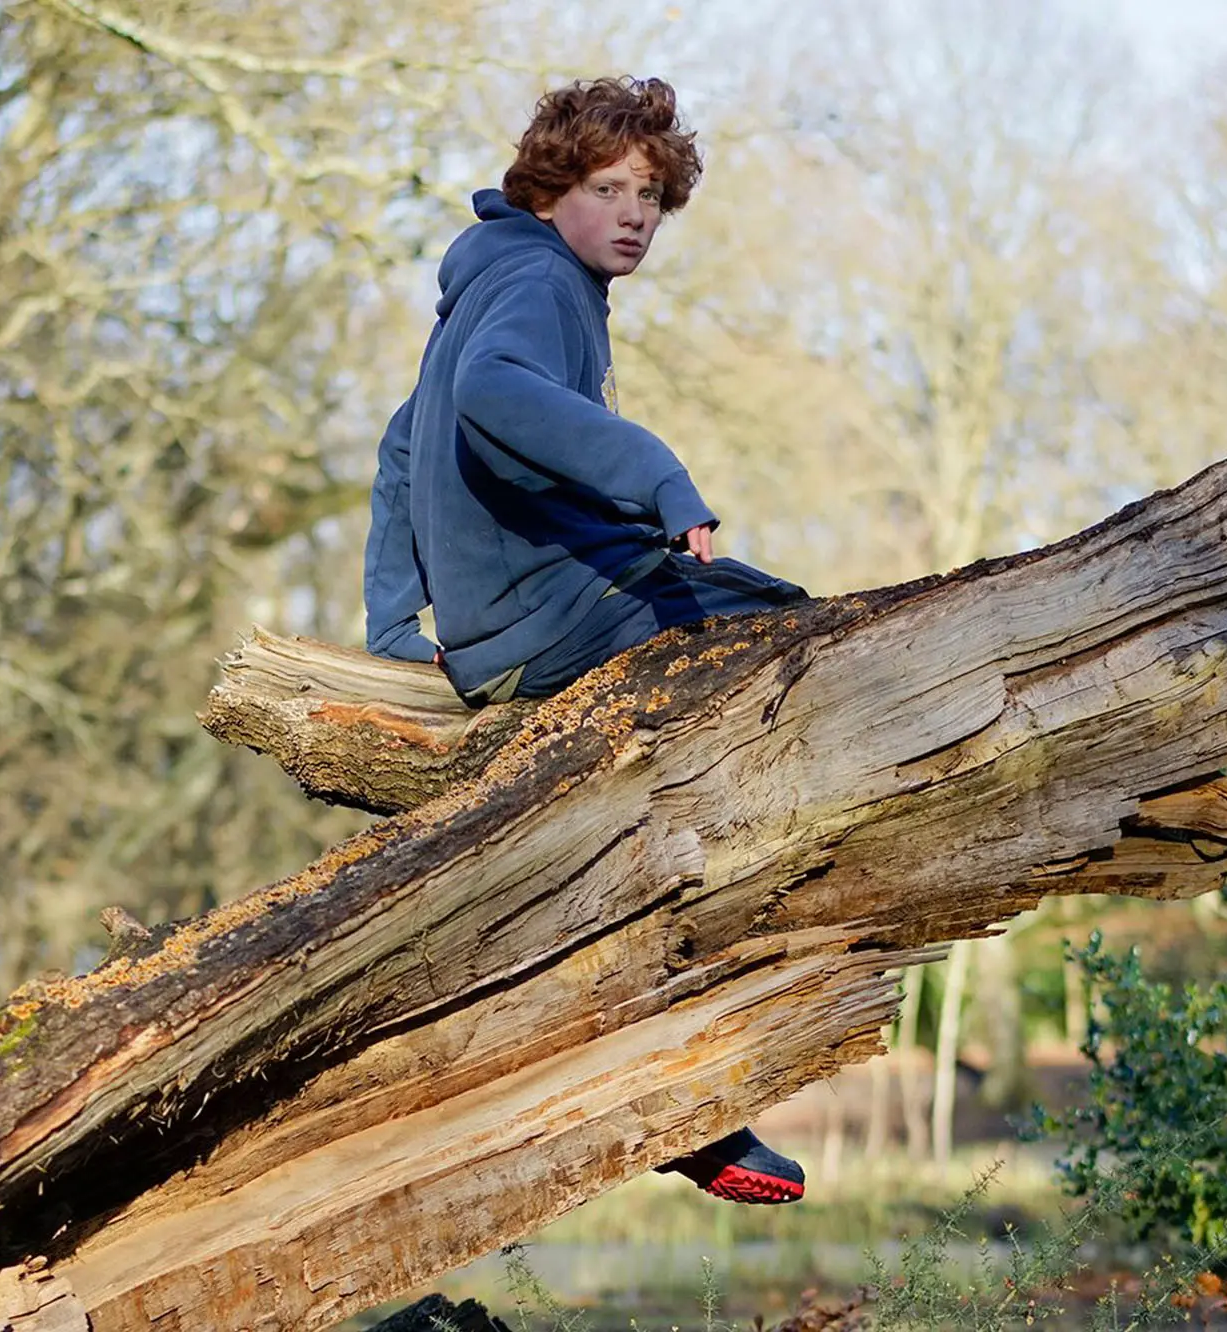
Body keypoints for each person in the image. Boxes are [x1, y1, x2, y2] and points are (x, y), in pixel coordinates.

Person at [361, 76, 809, 1205]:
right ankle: (691, 1090)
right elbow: (496, 399)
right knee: (796, 662)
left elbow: (401, 446)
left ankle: (679, 1081)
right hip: (558, 609)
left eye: (649, 195)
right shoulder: (537, 285)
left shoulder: (490, 284)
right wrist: (653, 473)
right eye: (607, 188)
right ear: (550, 190)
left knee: (772, 637)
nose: (633, 215)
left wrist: (395, 626)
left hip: (511, 623)